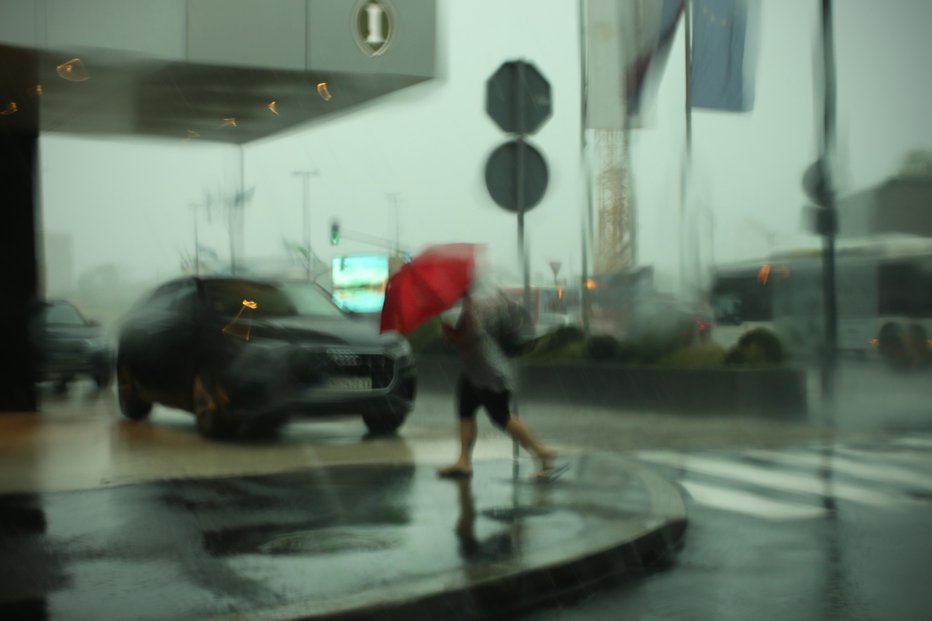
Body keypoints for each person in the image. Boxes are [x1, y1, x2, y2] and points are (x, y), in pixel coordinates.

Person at [437, 289, 560, 481]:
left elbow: (464, 337)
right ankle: (463, 460)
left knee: (500, 416)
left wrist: (447, 332)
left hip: (489, 373)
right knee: (465, 410)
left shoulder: (469, 310)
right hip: (476, 371)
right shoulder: (473, 305)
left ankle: (541, 451)